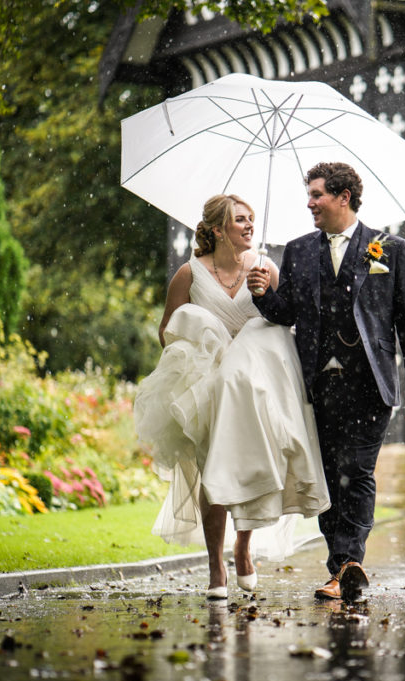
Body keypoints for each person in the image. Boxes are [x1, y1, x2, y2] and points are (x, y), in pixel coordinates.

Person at [247, 162, 405, 601]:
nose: (309, 204)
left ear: (343, 197)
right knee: (328, 479)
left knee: (359, 472)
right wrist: (261, 295)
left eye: (316, 195)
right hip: (319, 386)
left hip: (371, 383)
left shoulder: (389, 248)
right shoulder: (298, 250)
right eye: (309, 196)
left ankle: (347, 564)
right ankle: (343, 566)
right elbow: (287, 313)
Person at [133, 194, 330, 600]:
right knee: (212, 473)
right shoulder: (189, 275)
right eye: (240, 220)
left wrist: (265, 294)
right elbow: (167, 329)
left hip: (254, 388)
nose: (248, 226)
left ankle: (243, 546)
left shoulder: (265, 267)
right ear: (218, 229)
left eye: (251, 219)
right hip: (208, 386)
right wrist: (205, 341)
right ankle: (214, 566)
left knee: (253, 464)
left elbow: (286, 315)